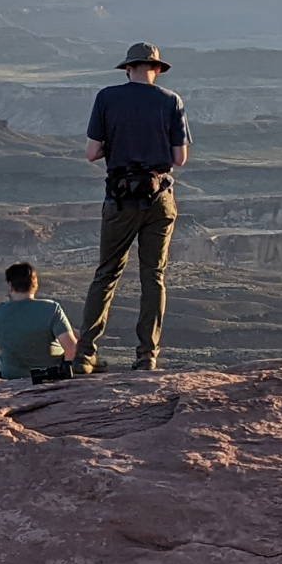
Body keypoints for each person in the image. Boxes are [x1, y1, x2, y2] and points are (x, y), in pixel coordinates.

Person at [76, 41, 189, 372]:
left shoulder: (107, 98)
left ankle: (85, 355)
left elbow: (92, 152)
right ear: (156, 69)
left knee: (107, 273)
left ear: (128, 68)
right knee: (153, 275)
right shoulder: (171, 101)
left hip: (121, 197)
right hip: (160, 198)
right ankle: (146, 357)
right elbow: (179, 158)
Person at [0, 261, 79, 381]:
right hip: (49, 372)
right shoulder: (52, 308)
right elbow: (71, 347)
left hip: (10, 373)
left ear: (10, 286)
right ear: (35, 284)